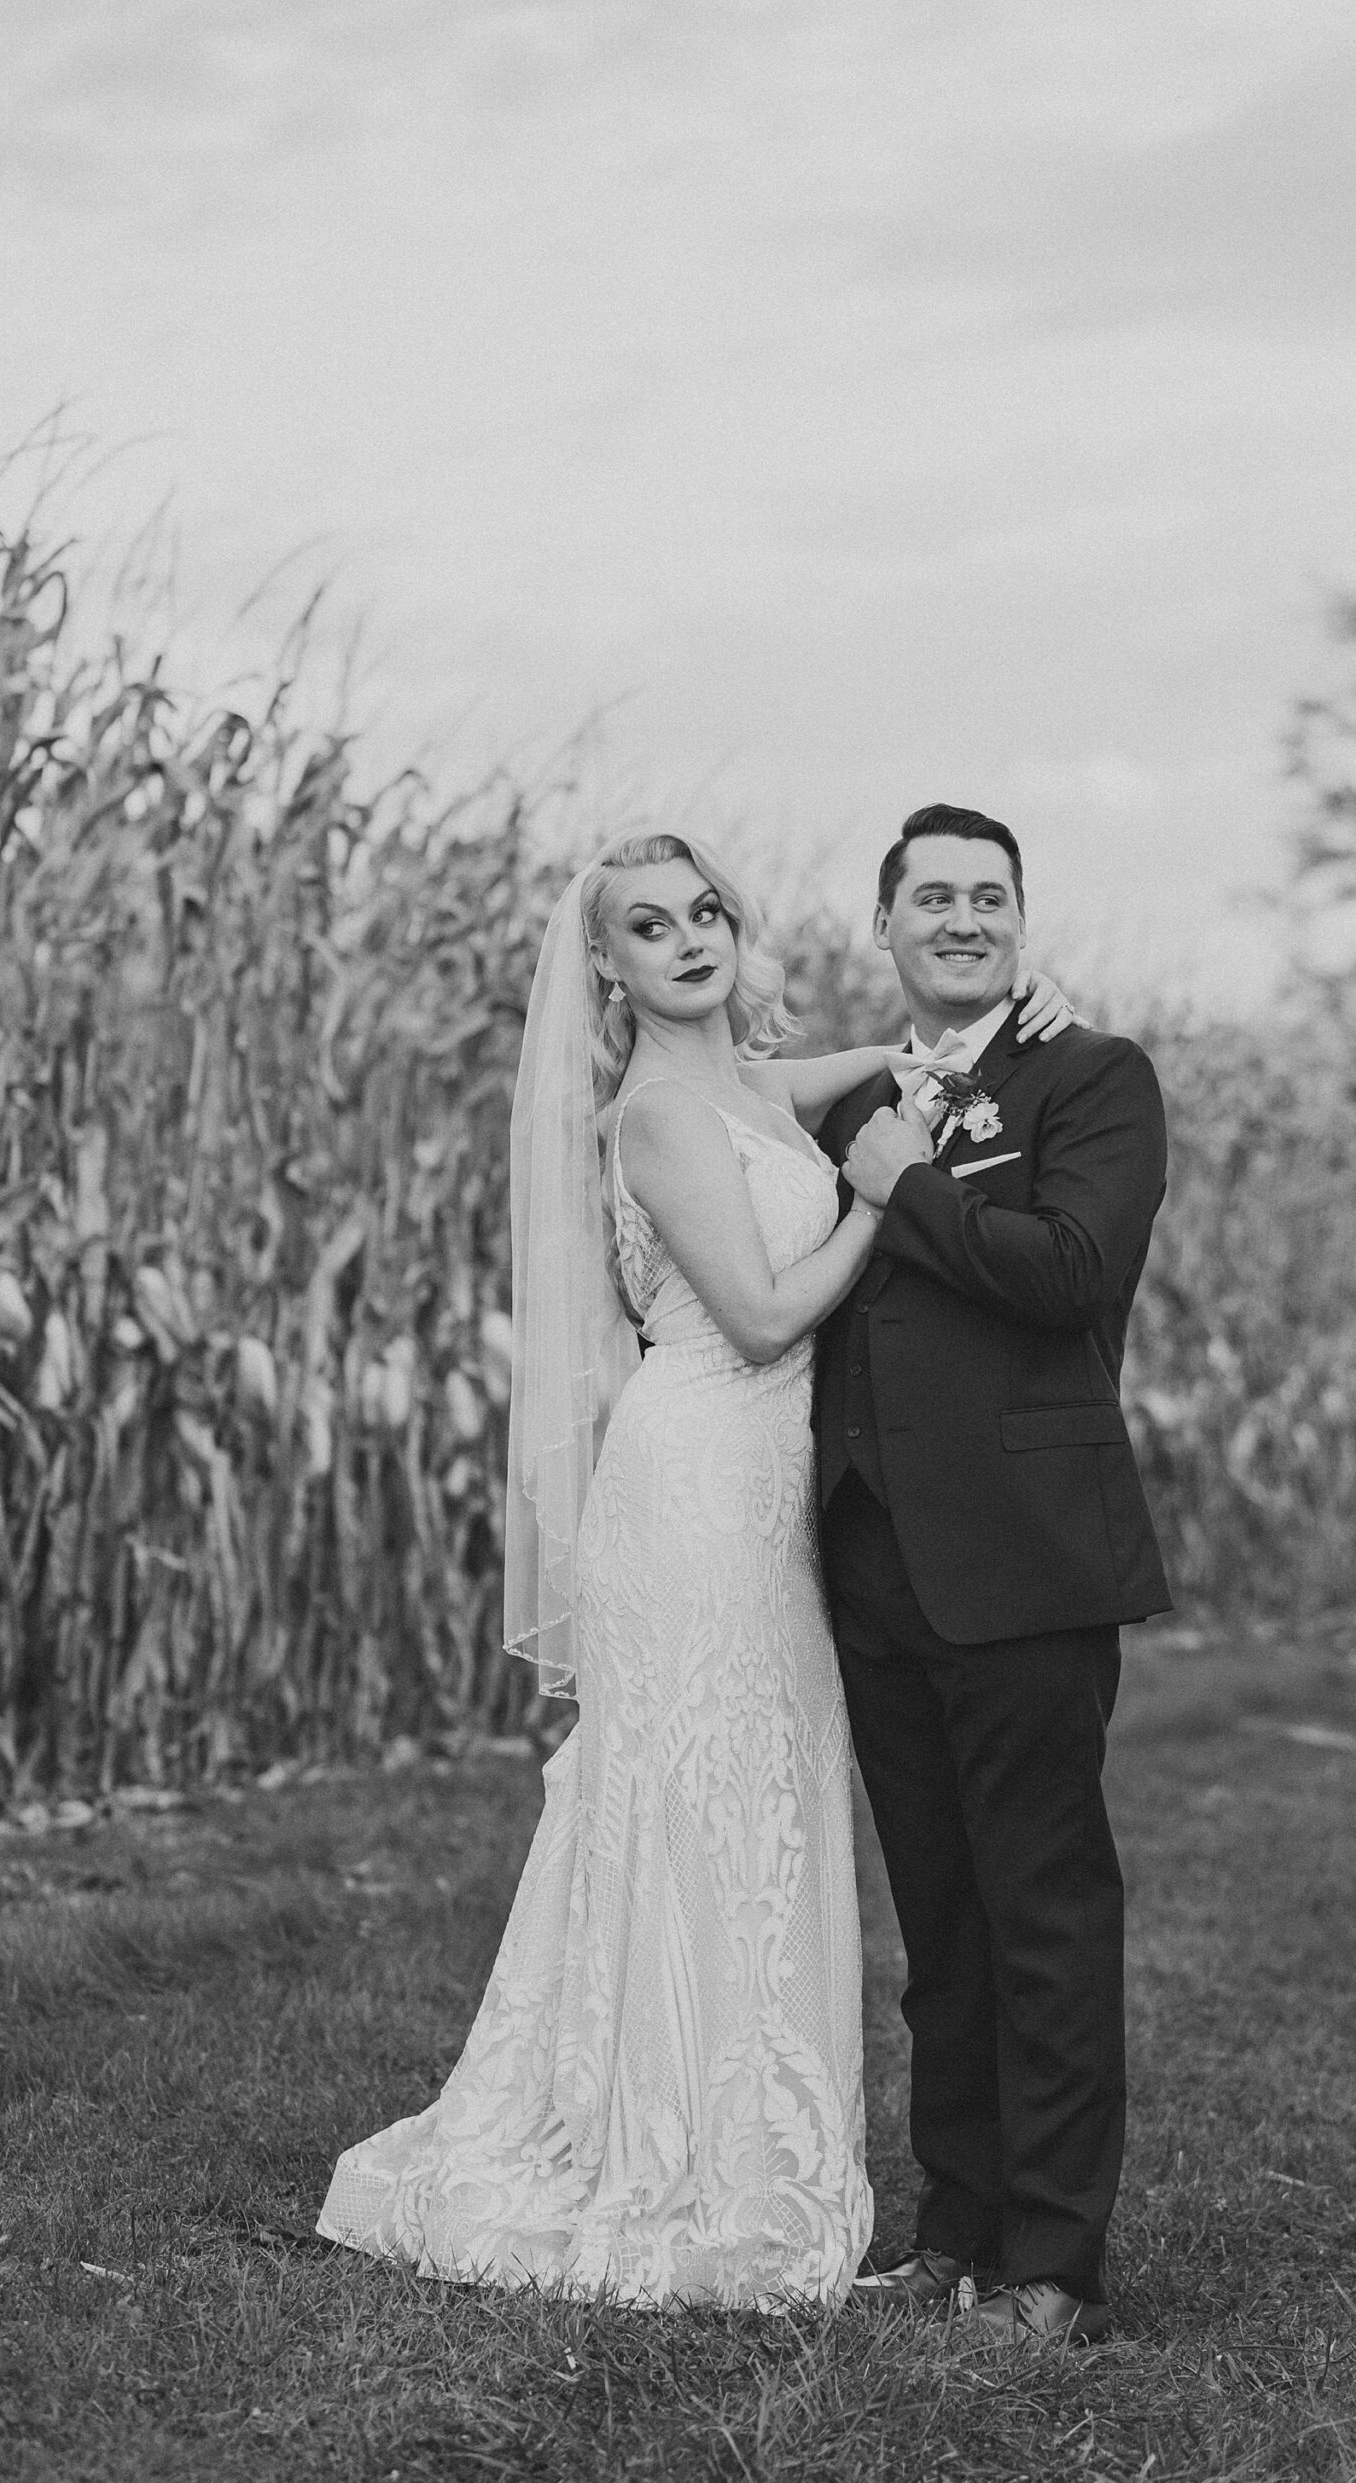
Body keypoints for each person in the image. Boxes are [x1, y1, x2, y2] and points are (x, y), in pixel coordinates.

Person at [316, 829, 1073, 2305]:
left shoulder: (742, 1083)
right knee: (700, 1802)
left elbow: (886, 1060)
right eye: (646, 927)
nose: (685, 939)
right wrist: (883, 1193)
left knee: (761, 1802)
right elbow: (768, 1314)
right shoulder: (659, 1113)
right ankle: (672, 2153)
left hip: (767, 1499)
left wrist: (998, 1026)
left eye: (705, 910)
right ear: (604, 963)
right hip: (697, 1484)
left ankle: (747, 2144)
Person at [815, 803, 1170, 2346]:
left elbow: (1071, 1275)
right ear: (883, 927)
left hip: (1023, 1561)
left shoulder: (1091, 1079)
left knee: (1040, 1918)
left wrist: (910, 1181)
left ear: (1020, 925)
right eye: (932, 897)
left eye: (989, 898)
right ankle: (950, 2232)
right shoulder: (847, 1098)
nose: (962, 918)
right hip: (874, 1560)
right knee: (941, 1932)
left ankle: (1052, 2267)